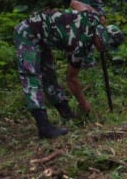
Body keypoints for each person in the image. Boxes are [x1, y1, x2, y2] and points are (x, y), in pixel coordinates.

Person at [12, 9, 115, 139]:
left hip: (43, 39)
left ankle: (67, 114)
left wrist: (101, 16)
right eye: (103, 45)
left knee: (49, 77)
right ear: (99, 38)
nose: (102, 49)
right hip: (27, 33)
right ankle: (44, 127)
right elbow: (71, 78)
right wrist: (83, 103)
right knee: (32, 78)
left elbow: (81, 5)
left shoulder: (94, 19)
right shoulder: (80, 45)